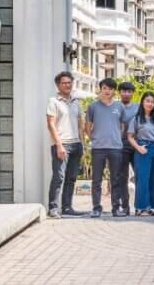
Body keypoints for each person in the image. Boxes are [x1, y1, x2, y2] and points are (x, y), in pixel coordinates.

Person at [46, 71, 84, 218]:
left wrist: (82, 143)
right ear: (58, 85)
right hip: (62, 145)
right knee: (59, 177)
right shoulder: (53, 101)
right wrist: (59, 145)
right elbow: (51, 124)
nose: (67, 85)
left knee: (71, 177)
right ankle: (53, 208)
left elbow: (80, 123)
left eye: (69, 82)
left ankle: (67, 207)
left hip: (76, 144)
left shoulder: (76, 102)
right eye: (64, 83)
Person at [85, 78, 125, 218]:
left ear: (114, 91)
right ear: (101, 89)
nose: (107, 91)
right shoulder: (93, 107)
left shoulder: (119, 106)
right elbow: (87, 126)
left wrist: (116, 137)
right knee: (96, 180)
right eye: (105, 88)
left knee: (115, 179)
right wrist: (94, 138)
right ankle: (96, 208)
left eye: (110, 88)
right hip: (98, 148)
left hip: (115, 148)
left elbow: (122, 126)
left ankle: (116, 208)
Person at [127, 91, 154, 216]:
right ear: (142, 102)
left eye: (152, 102)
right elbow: (130, 137)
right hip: (143, 149)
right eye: (147, 101)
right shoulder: (137, 119)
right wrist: (138, 148)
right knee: (142, 179)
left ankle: (150, 207)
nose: (150, 104)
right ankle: (140, 208)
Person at [113, 81, 138, 216]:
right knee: (122, 177)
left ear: (133, 93)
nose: (127, 94)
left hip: (136, 145)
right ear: (119, 92)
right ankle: (125, 206)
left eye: (129, 91)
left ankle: (140, 206)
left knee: (139, 176)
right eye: (124, 91)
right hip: (120, 146)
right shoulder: (115, 106)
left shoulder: (138, 107)